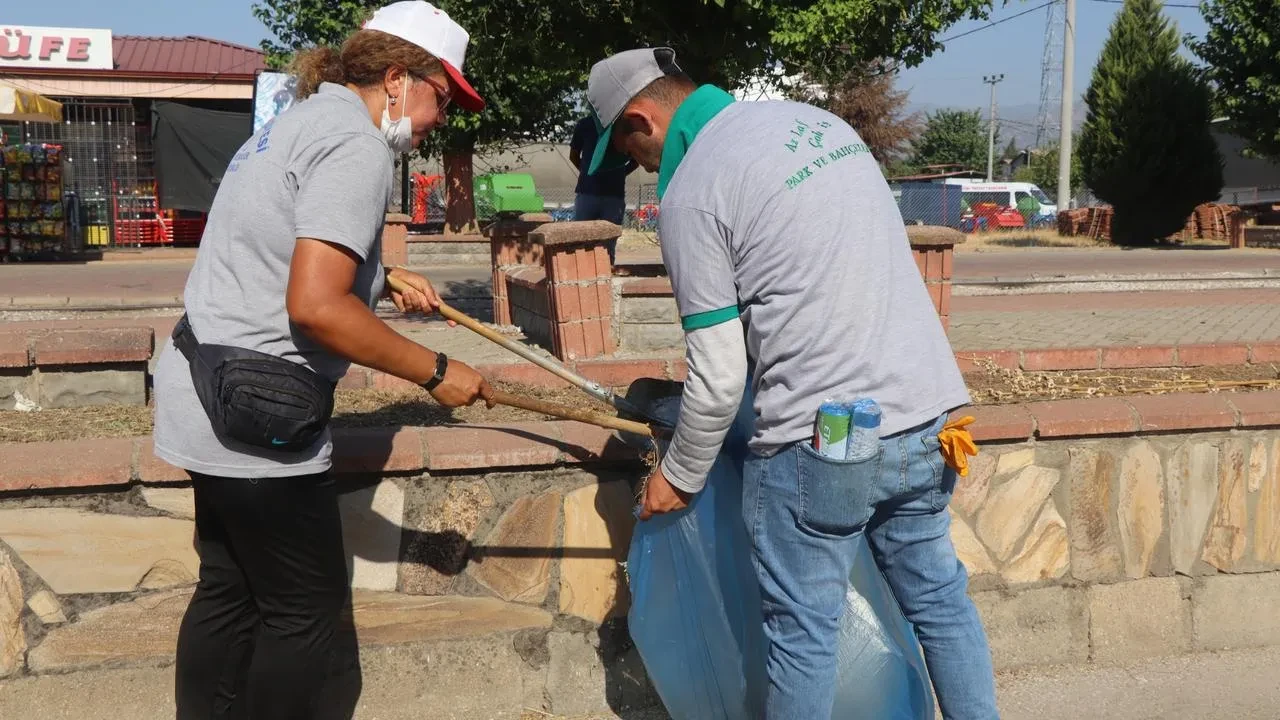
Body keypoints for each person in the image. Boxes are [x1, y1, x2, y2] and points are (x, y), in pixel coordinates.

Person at [584, 48, 999, 719]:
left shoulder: (692, 190)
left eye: (630, 152)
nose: (641, 168)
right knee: (940, 604)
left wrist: (679, 475)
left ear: (643, 119)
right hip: (928, 422)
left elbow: (718, 376)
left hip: (823, 441)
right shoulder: (821, 128)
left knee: (803, 638)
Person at [151, 3, 494, 717]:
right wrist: (435, 372)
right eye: (442, 98)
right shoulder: (357, 146)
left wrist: (379, 275)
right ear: (398, 79)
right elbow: (315, 307)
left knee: (227, 589)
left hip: (200, 386)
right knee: (303, 611)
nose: (441, 119)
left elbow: (278, 241)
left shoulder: (301, 120)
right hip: (256, 412)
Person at [569, 114, 637, 263]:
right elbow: (573, 154)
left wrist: (622, 173)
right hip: (588, 192)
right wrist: (587, 172)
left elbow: (636, 157)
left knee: (608, 243)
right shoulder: (585, 124)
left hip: (613, 195)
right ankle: (580, 274)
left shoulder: (622, 123)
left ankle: (605, 275)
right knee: (580, 238)